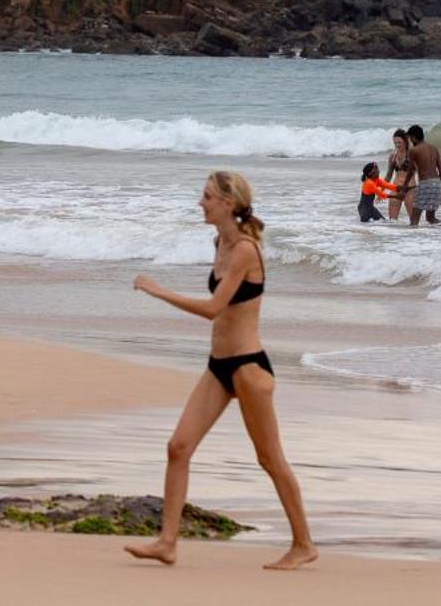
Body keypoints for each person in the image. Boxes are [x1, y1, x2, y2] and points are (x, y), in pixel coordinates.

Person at [127, 172, 316, 571]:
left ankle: (303, 544)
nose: (202, 202)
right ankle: (167, 543)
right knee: (178, 447)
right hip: (218, 366)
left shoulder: (246, 249)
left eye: (208, 197)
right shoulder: (220, 243)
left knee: (269, 458)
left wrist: (157, 290)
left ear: (229, 204)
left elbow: (214, 308)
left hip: (249, 367)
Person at [407, 124, 441, 225]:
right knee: (431, 218)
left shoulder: (413, 150)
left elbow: (410, 171)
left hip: (425, 184)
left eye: (410, 139)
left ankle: (412, 240)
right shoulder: (434, 148)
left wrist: (404, 185)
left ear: (413, 137)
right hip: (437, 184)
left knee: (414, 219)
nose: (410, 142)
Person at [384, 129, 415, 221]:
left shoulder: (413, 155)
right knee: (392, 221)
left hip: (410, 188)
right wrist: (380, 190)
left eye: (399, 142)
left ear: (405, 141)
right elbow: (389, 175)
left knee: (414, 221)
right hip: (396, 189)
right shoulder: (393, 156)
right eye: (395, 143)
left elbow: (422, 172)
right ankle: (395, 236)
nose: (397, 145)